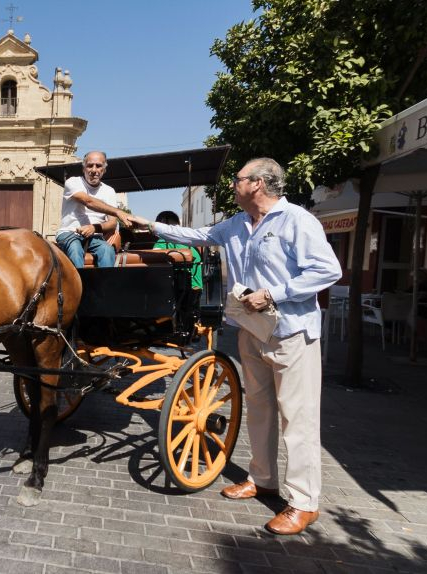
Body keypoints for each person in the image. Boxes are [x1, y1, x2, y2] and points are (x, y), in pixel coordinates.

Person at [135, 158, 341, 535]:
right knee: (259, 410)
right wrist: (146, 224)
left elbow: (328, 270)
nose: (233, 184)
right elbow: (195, 235)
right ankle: (262, 479)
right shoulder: (236, 224)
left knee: (298, 419)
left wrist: (273, 294)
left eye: (238, 179)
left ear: (259, 183)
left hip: (291, 332)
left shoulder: (296, 220)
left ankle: (303, 502)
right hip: (251, 330)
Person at [55, 151, 134, 268]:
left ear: (104, 169)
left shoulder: (109, 191)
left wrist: (94, 228)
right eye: (90, 165)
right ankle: (81, 280)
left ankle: (106, 280)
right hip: (69, 233)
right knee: (75, 250)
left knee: (107, 250)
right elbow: (88, 201)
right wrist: (118, 211)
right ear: (83, 168)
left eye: (98, 166)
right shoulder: (72, 182)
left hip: (95, 237)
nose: (94, 170)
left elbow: (112, 224)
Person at [153, 211, 203, 290]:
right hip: (197, 289)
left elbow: (152, 263)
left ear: (162, 222)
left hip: (178, 291)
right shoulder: (191, 239)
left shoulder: (163, 241)